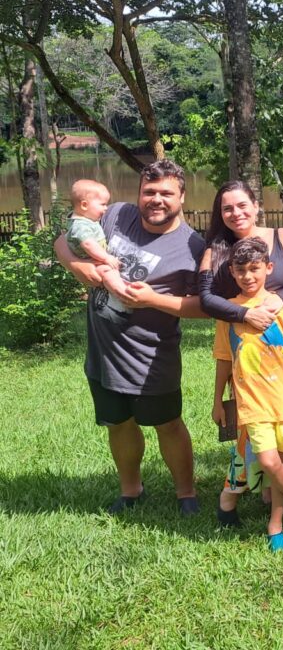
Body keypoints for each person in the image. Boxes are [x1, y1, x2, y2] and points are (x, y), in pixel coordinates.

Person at [54, 160, 207, 515]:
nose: (156, 199)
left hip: (151, 356)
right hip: (104, 352)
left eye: (166, 193)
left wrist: (153, 300)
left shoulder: (193, 246)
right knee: (118, 423)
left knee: (168, 424)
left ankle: (186, 494)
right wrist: (82, 269)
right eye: (148, 192)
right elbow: (63, 241)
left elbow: (204, 306)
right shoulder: (116, 215)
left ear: (182, 196)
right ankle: (131, 490)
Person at [198, 180, 283, 527]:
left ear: (256, 205)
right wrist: (244, 314)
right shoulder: (216, 250)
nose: (236, 213)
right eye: (227, 208)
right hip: (243, 346)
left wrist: (277, 300)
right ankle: (248, 489)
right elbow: (206, 298)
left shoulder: (282, 237)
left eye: (242, 205)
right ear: (220, 214)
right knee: (251, 425)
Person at [212, 237, 283, 551]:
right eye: (241, 270)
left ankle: (275, 526)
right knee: (267, 460)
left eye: (255, 268)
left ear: (269, 267)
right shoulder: (229, 311)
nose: (248, 276)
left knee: (282, 460)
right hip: (251, 402)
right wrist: (217, 401)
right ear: (232, 273)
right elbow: (224, 359)